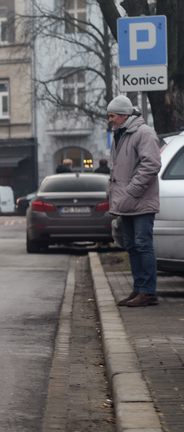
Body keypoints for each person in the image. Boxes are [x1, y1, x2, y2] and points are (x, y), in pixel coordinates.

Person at [107, 95, 161, 307]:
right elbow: (116, 169)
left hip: (140, 201)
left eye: (112, 116)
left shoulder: (144, 133)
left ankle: (148, 292)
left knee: (142, 244)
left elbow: (152, 165)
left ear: (124, 115)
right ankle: (139, 288)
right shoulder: (119, 134)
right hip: (126, 202)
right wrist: (112, 192)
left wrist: (131, 191)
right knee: (131, 245)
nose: (110, 119)